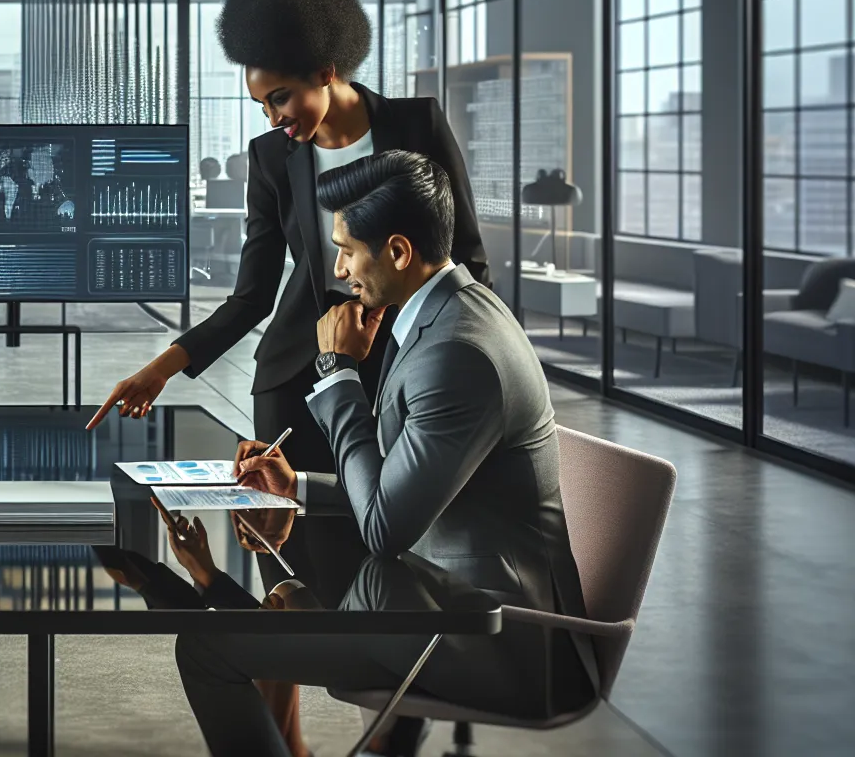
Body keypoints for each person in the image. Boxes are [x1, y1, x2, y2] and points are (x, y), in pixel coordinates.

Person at [171, 151, 595, 757]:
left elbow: (383, 528)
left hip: (500, 643)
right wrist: (297, 487)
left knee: (208, 646)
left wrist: (337, 371)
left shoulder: (458, 353)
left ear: (397, 251)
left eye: (347, 250)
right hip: (438, 598)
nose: (339, 269)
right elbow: (401, 482)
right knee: (284, 599)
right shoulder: (449, 312)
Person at [89, 0, 489, 480]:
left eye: (279, 97)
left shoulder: (417, 125)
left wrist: (478, 358)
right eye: (261, 105)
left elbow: (466, 257)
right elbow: (252, 296)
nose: (273, 117)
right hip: (297, 368)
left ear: (325, 70)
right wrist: (160, 369)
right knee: (285, 515)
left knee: (390, 515)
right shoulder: (271, 158)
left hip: (405, 356)